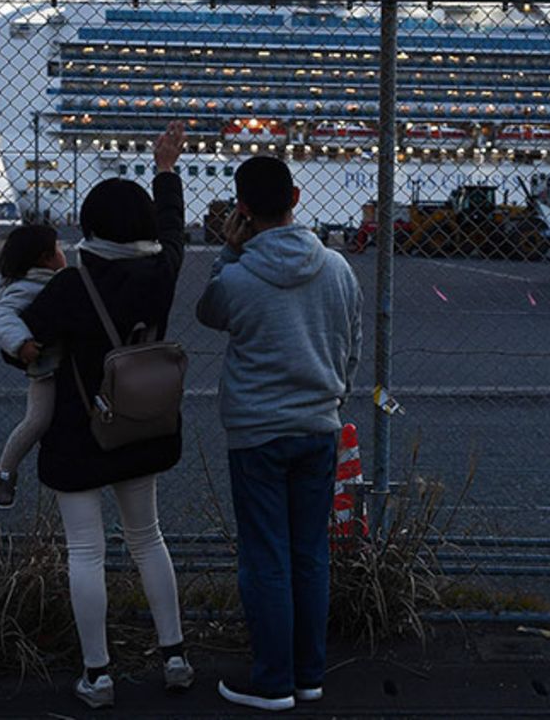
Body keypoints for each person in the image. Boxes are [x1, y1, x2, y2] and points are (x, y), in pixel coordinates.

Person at [20, 121, 193, 710]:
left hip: (78, 433)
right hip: (140, 426)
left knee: (86, 552)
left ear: (88, 228)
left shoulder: (70, 285)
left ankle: (98, 674)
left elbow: (26, 345)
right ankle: (174, 656)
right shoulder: (162, 272)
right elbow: (174, 231)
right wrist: (164, 170)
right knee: (148, 539)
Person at [196, 156, 363, 711]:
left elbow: (208, 312)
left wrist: (229, 248)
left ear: (240, 208)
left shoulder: (238, 276)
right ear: (296, 195)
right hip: (320, 426)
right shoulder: (338, 268)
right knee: (311, 553)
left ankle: (272, 681)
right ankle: (308, 675)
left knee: (266, 556)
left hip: (257, 432)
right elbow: (352, 347)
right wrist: (331, 399)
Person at [0, 223, 66, 509]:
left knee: (53, 422)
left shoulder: (46, 280)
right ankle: (5, 471)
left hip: (58, 366)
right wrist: (21, 343)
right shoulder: (28, 287)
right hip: (44, 370)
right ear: (45, 258)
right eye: (58, 248)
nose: (63, 253)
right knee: (37, 421)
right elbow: (2, 316)